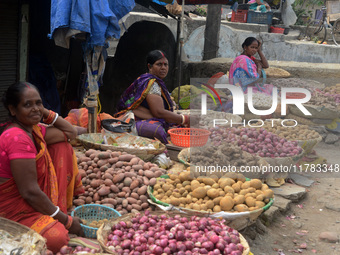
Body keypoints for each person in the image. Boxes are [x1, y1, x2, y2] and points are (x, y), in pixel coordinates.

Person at [0, 82, 85, 253]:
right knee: (57, 238)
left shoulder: (34, 130)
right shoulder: (17, 138)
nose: (35, 108)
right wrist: (66, 221)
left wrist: (44, 112)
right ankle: (55, 213)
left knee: (63, 146)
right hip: (13, 211)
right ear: (13, 110)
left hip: (30, 200)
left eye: (38, 102)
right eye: (27, 104)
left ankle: (54, 209)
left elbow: (70, 133)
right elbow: (29, 192)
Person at [115, 50, 191, 144]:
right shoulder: (151, 83)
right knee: (160, 130)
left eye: (165, 64)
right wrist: (184, 119)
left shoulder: (151, 81)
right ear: (149, 66)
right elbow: (158, 112)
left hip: (143, 117)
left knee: (175, 126)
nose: (163, 68)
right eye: (159, 64)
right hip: (134, 120)